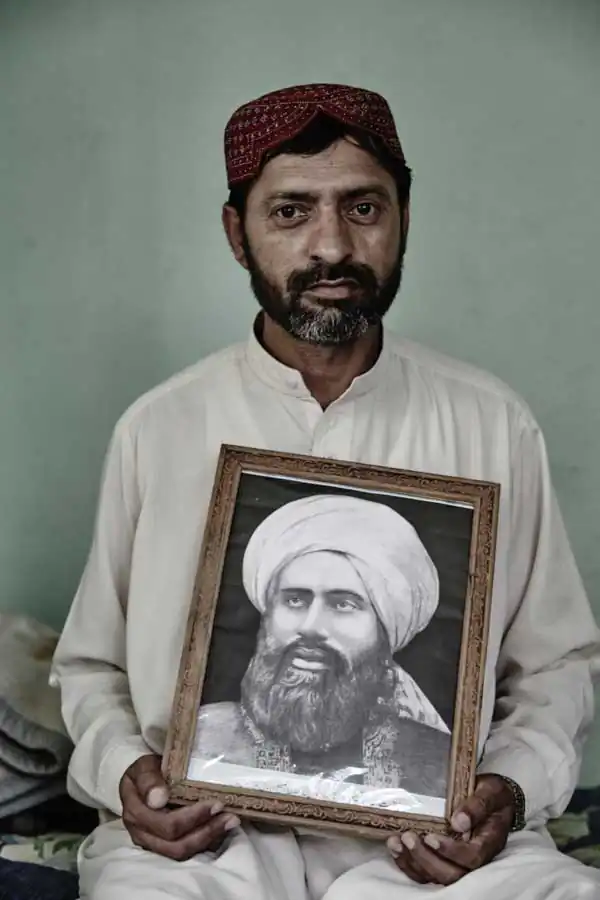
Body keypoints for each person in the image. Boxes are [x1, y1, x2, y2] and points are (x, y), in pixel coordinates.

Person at [50, 83, 600, 899]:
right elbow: (91, 665)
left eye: (364, 209)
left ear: (404, 218)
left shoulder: (492, 423)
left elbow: (556, 664)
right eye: (291, 212)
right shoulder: (159, 426)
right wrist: (128, 772)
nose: (331, 247)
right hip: (207, 838)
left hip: (423, 846)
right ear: (238, 234)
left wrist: (508, 790)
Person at [191, 494, 451, 803]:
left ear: (384, 635)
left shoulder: (440, 764)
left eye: (343, 604)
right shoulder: (200, 739)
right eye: (295, 600)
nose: (311, 627)